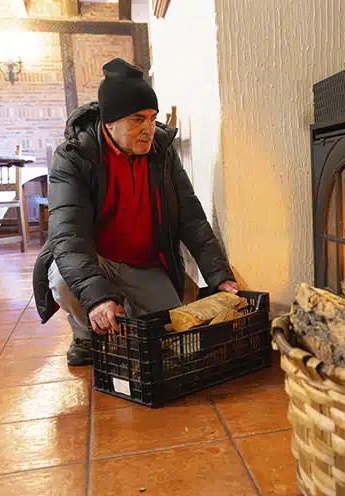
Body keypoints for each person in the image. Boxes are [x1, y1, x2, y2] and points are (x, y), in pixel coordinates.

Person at [32, 58, 237, 366]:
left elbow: (192, 219)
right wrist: (98, 297)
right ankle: (85, 336)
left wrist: (220, 276)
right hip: (97, 259)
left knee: (176, 343)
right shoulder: (75, 156)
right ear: (110, 122)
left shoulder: (163, 152)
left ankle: (123, 309)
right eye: (137, 119)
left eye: (152, 118)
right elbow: (68, 236)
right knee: (63, 280)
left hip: (144, 264)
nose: (149, 129)